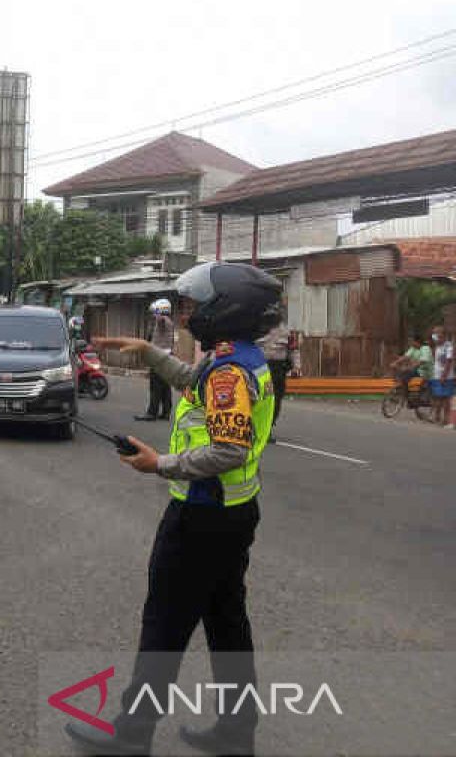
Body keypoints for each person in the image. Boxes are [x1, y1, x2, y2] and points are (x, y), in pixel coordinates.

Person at [68, 262, 282, 757]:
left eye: (194, 304)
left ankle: (131, 735)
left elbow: (227, 449)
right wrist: (150, 354)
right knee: (228, 624)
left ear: (225, 309)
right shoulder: (238, 358)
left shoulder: (229, 371)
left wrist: (158, 463)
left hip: (202, 518)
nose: (187, 313)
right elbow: (193, 380)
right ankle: (235, 733)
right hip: (232, 514)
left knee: (163, 625)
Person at [135, 298, 175, 422]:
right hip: (165, 357)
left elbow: (160, 319)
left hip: (159, 358)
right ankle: (166, 413)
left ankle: (152, 413)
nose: (154, 315)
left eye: (156, 311)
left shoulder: (164, 321)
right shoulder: (170, 322)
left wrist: (158, 314)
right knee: (165, 387)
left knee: (155, 386)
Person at [257, 318, 291, 440]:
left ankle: (268, 426)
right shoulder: (257, 325)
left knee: (276, 399)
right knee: (266, 397)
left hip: (279, 368)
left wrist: (296, 366)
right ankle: (260, 427)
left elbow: (293, 348)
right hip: (263, 368)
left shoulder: (285, 329)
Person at [430, 325, 454, 429]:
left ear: (443, 335)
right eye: (433, 333)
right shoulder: (437, 346)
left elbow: (449, 362)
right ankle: (437, 417)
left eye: (436, 333)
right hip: (436, 376)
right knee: (437, 397)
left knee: (445, 398)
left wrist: (444, 375)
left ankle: (446, 419)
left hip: (446, 377)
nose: (434, 336)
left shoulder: (448, 346)